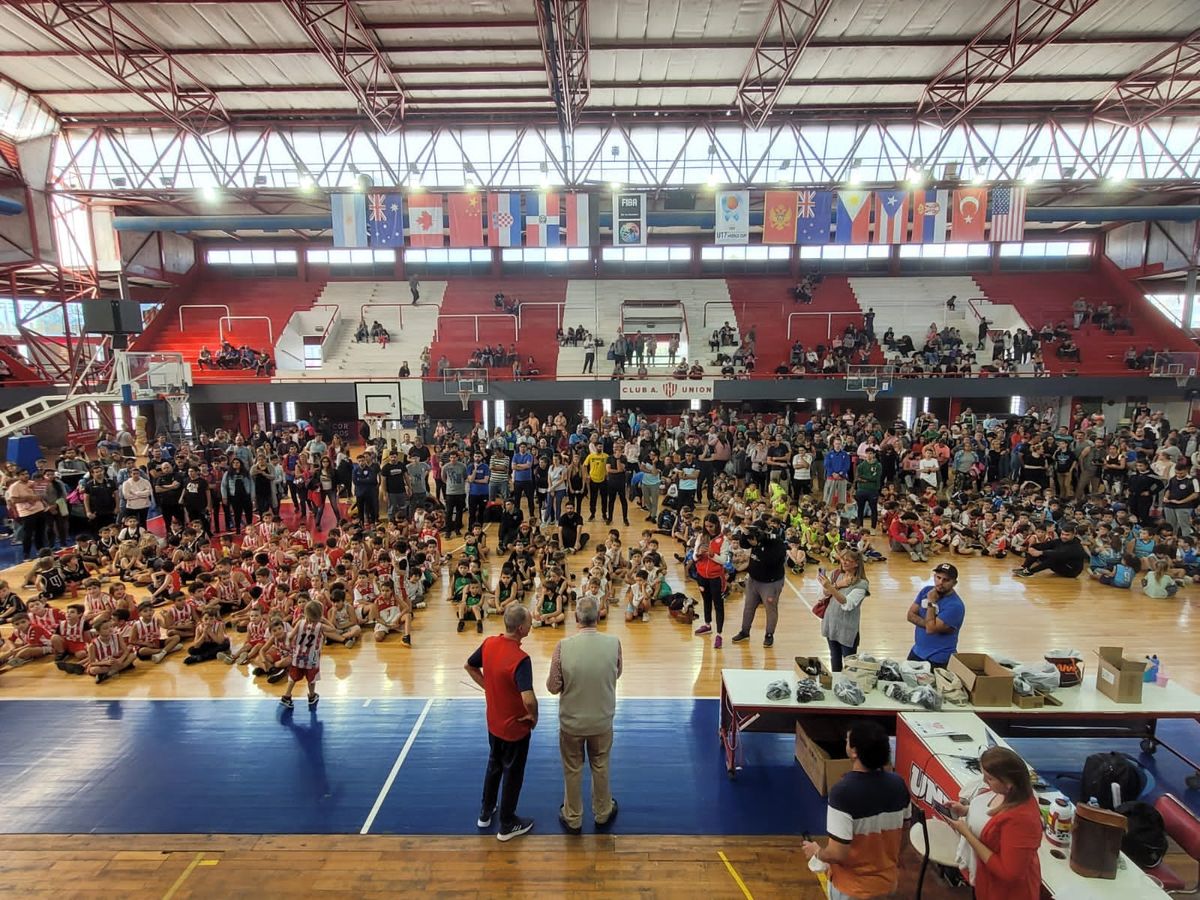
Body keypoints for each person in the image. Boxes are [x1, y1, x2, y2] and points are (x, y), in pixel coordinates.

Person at [802, 721, 910, 900]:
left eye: (847, 740)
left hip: (852, 890)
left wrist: (817, 851)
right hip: (887, 886)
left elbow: (837, 853)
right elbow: (903, 842)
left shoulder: (842, 794)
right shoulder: (899, 786)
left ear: (854, 752)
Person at [546, 595, 621, 834]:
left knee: (573, 767)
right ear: (598, 615)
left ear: (576, 617)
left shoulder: (563, 647)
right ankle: (603, 812)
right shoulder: (614, 643)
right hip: (602, 720)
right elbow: (616, 672)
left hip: (571, 723)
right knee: (600, 765)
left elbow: (552, 686)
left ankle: (573, 816)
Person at [465, 603, 538, 842]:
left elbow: (469, 665)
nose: (532, 624)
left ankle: (486, 812)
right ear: (520, 628)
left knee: (494, 764)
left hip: (493, 723)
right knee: (513, 774)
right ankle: (507, 824)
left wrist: (490, 688)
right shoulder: (521, 659)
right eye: (529, 622)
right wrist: (533, 715)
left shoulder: (489, 644)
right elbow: (528, 698)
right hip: (514, 728)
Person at [944, 747, 1042, 900]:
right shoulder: (1003, 792)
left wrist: (968, 835)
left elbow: (1008, 873)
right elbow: (988, 814)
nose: (984, 781)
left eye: (989, 778)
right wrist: (965, 810)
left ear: (1009, 784)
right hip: (985, 880)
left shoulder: (1022, 821)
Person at [731, 517, 786, 648]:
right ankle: (745, 631)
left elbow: (770, 561)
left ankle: (769, 634)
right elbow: (744, 544)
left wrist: (758, 545)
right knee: (748, 607)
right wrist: (746, 535)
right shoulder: (755, 539)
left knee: (770, 609)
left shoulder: (776, 542)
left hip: (770, 582)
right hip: (753, 579)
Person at [819, 549, 870, 672]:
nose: (844, 562)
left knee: (850, 663)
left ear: (856, 563)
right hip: (831, 623)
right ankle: (836, 682)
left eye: (848, 560)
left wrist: (831, 587)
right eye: (842, 559)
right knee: (834, 657)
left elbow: (847, 604)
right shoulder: (837, 574)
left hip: (847, 629)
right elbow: (825, 593)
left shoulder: (862, 584)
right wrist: (836, 585)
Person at [906, 562, 964, 667]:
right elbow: (910, 615)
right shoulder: (926, 591)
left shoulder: (955, 606)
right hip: (917, 651)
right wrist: (930, 623)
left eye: (946, 580)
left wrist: (931, 603)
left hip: (939, 658)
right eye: (938, 577)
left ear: (954, 583)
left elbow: (930, 629)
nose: (940, 582)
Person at [692, 513, 730, 649]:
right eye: (706, 526)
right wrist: (698, 554)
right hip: (702, 576)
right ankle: (707, 625)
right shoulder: (701, 537)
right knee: (706, 600)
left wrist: (711, 554)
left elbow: (723, 560)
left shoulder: (723, 540)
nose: (708, 529)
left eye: (711, 526)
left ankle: (719, 634)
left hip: (715, 577)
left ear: (717, 525)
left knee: (718, 605)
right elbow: (694, 558)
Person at [1013, 520, 1088, 578]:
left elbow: (1059, 553)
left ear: (1073, 535)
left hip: (1071, 571)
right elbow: (1046, 544)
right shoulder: (1060, 540)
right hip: (1062, 564)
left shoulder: (1076, 546)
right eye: (1062, 534)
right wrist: (1032, 548)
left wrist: (1041, 552)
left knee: (1052, 558)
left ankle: (1029, 572)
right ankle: (1025, 568)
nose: (1064, 536)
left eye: (1067, 535)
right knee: (1036, 549)